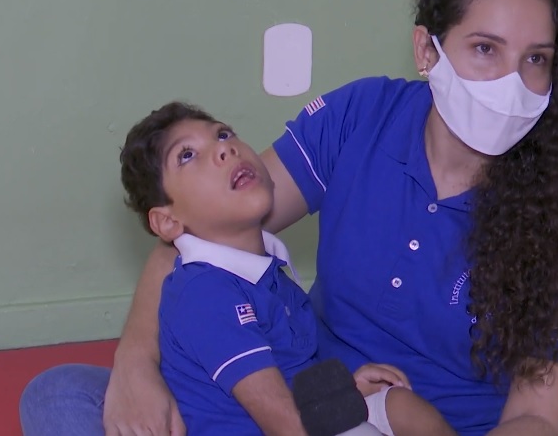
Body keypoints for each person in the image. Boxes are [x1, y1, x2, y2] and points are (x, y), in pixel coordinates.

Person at [20, 0, 558, 436]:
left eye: (535, 59)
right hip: (307, 390)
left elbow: (538, 417)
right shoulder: (363, 116)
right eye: (485, 49)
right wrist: (135, 366)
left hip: (430, 426)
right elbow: (203, 237)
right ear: (427, 51)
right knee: (61, 395)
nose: (510, 82)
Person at [85, 101, 454, 436]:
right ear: (167, 222)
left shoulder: (272, 276)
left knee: (402, 408)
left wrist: (347, 392)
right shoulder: (204, 293)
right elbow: (282, 422)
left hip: (300, 416)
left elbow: (299, 380)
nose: (225, 149)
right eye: (187, 155)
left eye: (223, 134)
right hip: (284, 426)